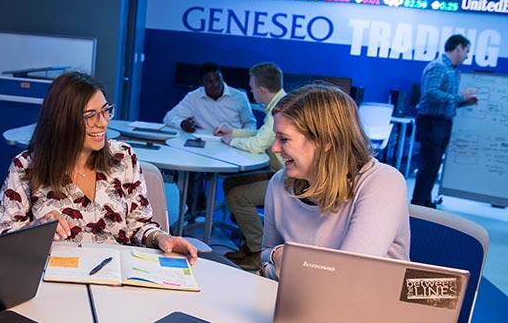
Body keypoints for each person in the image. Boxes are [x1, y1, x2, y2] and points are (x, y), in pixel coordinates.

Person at [0, 72, 198, 264]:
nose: (103, 123)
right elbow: (1, 240)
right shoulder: (26, 166)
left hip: (115, 276)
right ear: (62, 121)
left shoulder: (123, 157)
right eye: (90, 115)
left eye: (106, 111)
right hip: (55, 277)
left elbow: (139, 225)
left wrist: (162, 238)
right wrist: (36, 230)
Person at [260, 84, 410, 280]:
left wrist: (282, 262)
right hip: (297, 303)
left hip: (368, 307)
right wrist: (276, 257)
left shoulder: (383, 183)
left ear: (325, 141)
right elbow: (265, 255)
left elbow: (345, 279)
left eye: (284, 139)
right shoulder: (280, 183)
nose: (275, 148)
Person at [214, 62, 286, 270]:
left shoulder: (279, 111)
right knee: (231, 184)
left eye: (252, 87)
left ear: (262, 90)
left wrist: (231, 141)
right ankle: (248, 242)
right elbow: (260, 135)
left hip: (287, 180)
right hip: (277, 173)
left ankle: (257, 251)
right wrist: (234, 132)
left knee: (238, 195)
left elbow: (257, 145)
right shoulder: (279, 104)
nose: (251, 90)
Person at [411, 34, 478, 208]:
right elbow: (430, 93)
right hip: (431, 122)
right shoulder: (438, 67)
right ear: (458, 48)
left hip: (443, 122)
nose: (467, 55)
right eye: (466, 51)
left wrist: (464, 101)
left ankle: (425, 201)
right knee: (429, 164)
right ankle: (417, 203)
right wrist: (459, 96)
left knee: (434, 165)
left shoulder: (453, 71)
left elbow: (447, 102)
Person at [163, 62, 256, 133]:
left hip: (233, 143)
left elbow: (250, 123)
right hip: (204, 143)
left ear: (222, 77)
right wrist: (182, 124)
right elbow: (169, 117)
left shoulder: (239, 97)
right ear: (202, 83)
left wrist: (242, 137)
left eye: (217, 79)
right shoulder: (193, 97)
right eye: (209, 81)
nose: (215, 84)